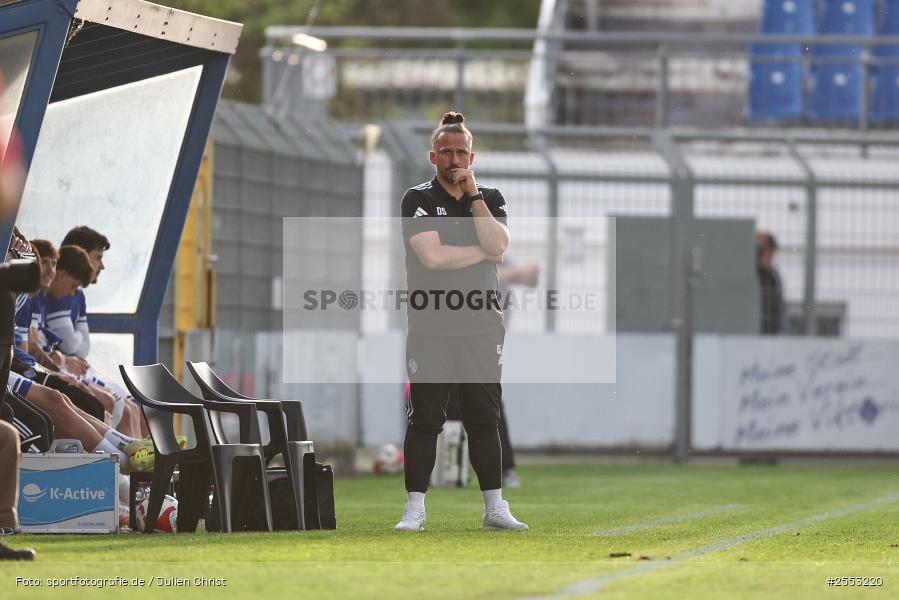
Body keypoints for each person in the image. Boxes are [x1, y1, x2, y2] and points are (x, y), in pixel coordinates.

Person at [396, 111, 527, 532]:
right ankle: (414, 509)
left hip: (482, 326)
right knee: (426, 419)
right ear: (432, 156)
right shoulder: (417, 199)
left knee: (484, 418)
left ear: (472, 157)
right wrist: (484, 252)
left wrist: (473, 199)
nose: (454, 160)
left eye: (461, 153)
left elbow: (499, 244)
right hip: (431, 326)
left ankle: (495, 508)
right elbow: (433, 258)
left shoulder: (489, 197)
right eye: (446, 152)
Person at [756, 231, 785, 335]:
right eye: (771, 253)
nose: (772, 257)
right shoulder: (760, 274)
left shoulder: (771, 274)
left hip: (768, 329)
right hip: (763, 329)